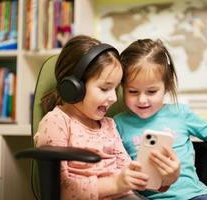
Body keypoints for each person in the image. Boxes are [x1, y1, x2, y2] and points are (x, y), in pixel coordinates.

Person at [114, 38, 207, 200]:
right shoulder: (118, 123)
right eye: (133, 92)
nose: (142, 100)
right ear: (122, 88)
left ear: (166, 86)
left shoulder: (180, 113)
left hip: (194, 194)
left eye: (151, 91)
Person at [34, 35, 153, 200]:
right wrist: (116, 184)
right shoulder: (56, 122)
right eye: (105, 88)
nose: (114, 98)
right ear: (75, 87)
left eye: (115, 88)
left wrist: (158, 176)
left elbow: (126, 170)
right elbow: (61, 189)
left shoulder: (109, 126)